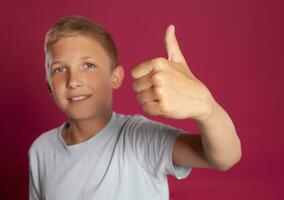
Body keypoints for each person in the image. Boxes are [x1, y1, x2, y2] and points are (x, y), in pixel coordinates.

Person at [28, 16, 242, 200]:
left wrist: (207, 109)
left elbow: (225, 157)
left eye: (89, 65)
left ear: (115, 77)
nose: (73, 80)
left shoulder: (138, 138)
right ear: (48, 84)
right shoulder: (41, 151)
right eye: (59, 69)